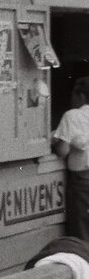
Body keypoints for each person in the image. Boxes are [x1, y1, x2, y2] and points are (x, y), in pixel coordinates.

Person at [53, 76, 89, 240]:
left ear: (80, 96)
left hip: (82, 180)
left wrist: (56, 141)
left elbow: (62, 151)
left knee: (81, 231)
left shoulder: (72, 115)